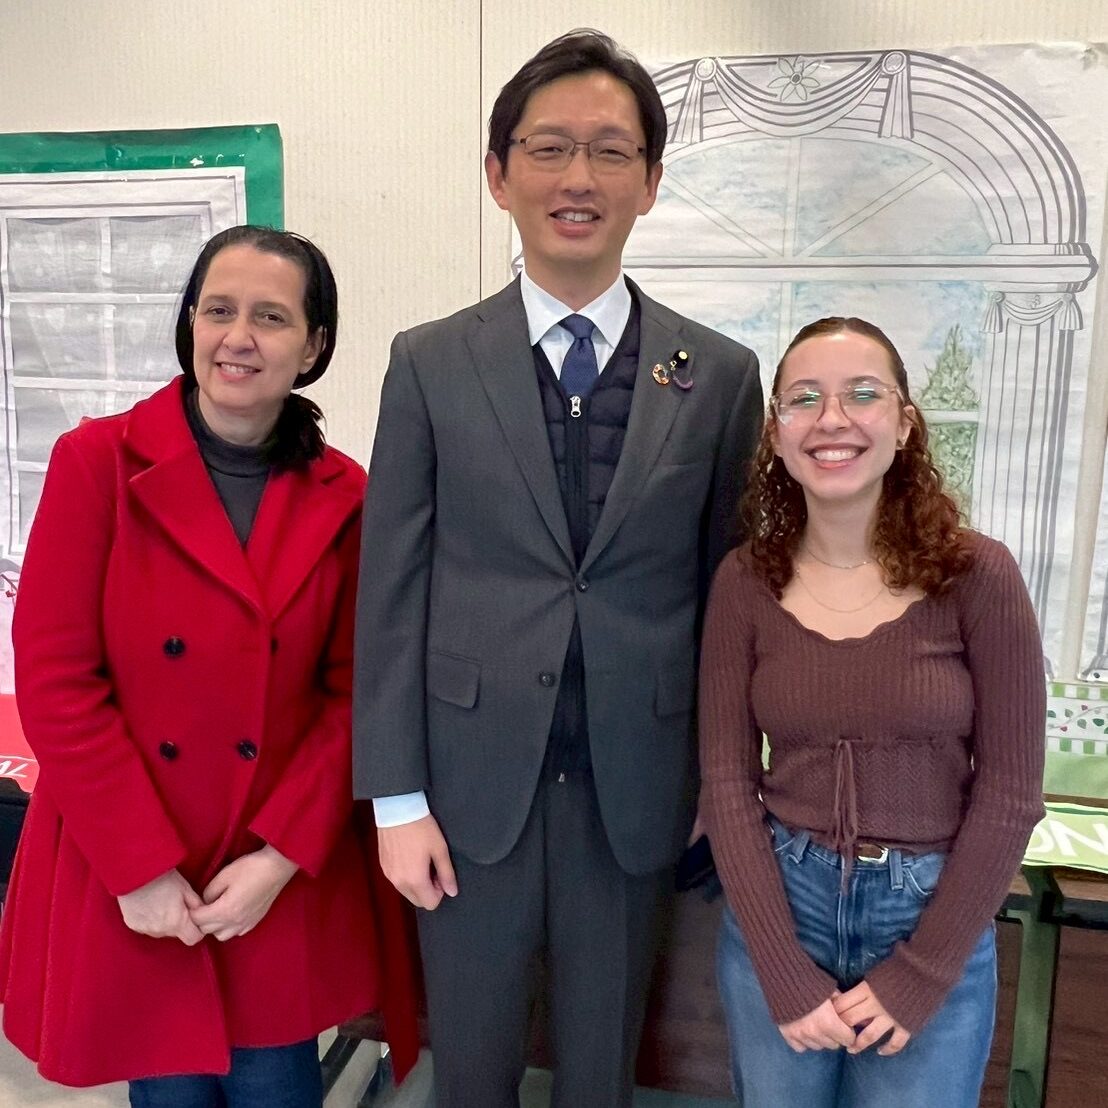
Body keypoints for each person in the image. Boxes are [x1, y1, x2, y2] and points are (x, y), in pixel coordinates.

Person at [353, 28, 763, 1108]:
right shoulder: (428, 362)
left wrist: (721, 780)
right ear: (499, 176)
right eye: (548, 148)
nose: (578, 177)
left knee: (601, 1075)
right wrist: (395, 799)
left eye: (610, 151)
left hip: (637, 790)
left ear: (650, 183)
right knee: (472, 1072)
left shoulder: (719, 376)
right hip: (464, 793)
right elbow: (389, 591)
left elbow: (731, 599)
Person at [0, 226, 418, 1105]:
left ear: (314, 346)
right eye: (218, 310)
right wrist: (138, 866)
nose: (239, 337)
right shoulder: (96, 463)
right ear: (189, 323)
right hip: (135, 858)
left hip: (272, 867)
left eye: (271, 317)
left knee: (275, 1082)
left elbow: (356, 692)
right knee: (170, 1091)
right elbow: (56, 679)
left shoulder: (347, 494)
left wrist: (280, 858)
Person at [699, 316, 1046, 1108]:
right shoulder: (744, 582)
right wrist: (782, 972)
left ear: (904, 422)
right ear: (776, 433)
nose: (832, 419)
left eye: (862, 394)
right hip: (781, 912)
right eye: (804, 399)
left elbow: (1011, 794)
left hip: (932, 917)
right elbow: (725, 783)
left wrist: (921, 974)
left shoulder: (979, 575)